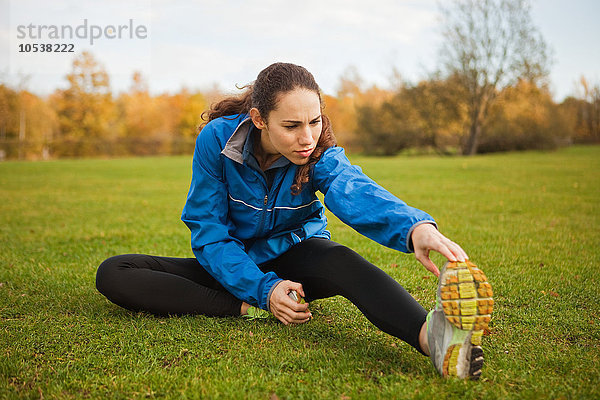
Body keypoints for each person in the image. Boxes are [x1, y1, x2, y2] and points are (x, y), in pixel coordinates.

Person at [96, 62, 493, 379]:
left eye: (315, 121)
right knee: (115, 272)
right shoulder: (216, 141)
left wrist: (414, 227)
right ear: (258, 119)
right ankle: (246, 307)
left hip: (299, 258)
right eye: (292, 126)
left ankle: (434, 340)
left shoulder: (318, 150)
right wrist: (264, 292)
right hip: (237, 264)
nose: (307, 137)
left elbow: (349, 186)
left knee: (341, 259)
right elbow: (210, 233)